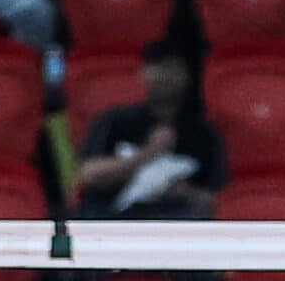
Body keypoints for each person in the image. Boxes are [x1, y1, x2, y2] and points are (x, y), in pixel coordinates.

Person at [76, 42, 227, 219]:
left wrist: (183, 191)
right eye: (157, 66)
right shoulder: (114, 121)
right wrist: (147, 154)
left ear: (187, 75)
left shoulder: (204, 133)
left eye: (173, 67)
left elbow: (217, 200)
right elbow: (88, 174)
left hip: (179, 228)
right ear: (142, 73)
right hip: (115, 227)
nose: (165, 75)